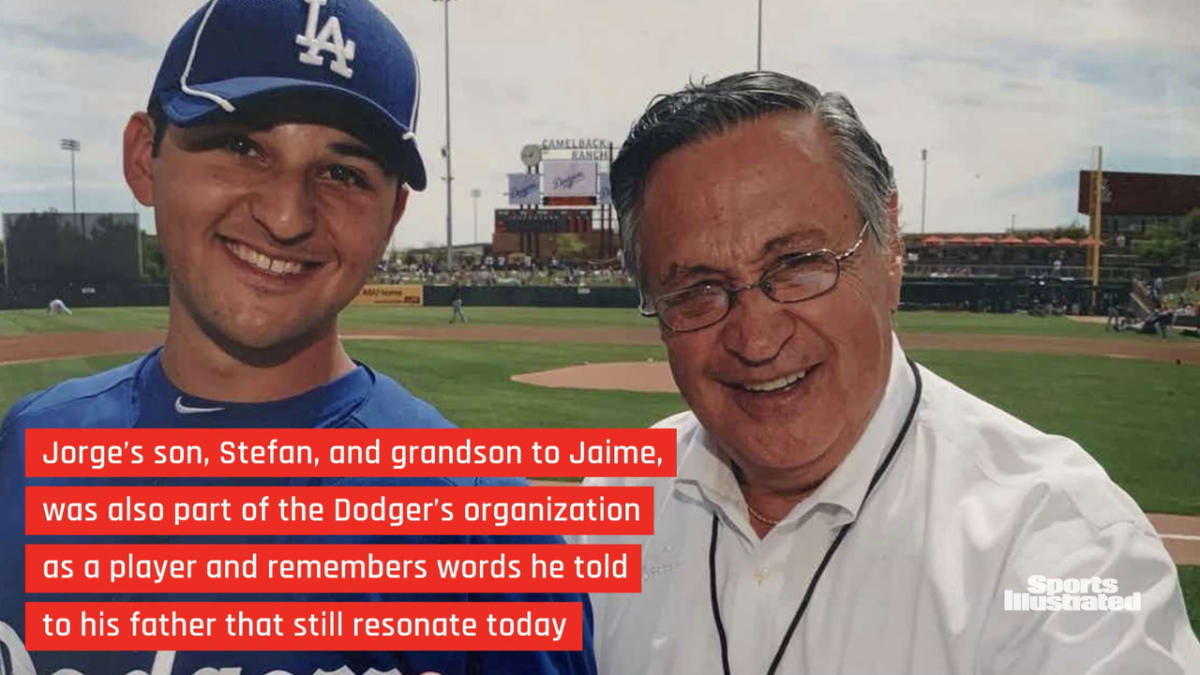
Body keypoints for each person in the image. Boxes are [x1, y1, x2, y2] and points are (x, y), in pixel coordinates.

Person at [0, 2, 595, 674]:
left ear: (393, 213)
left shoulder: (492, 537)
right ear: (145, 158)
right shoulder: (23, 447)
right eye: (242, 145)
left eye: (344, 173)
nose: (286, 217)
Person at [581, 72, 1198, 673]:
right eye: (698, 290)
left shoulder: (1061, 543)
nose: (756, 338)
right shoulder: (610, 505)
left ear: (890, 245)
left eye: (798, 264)